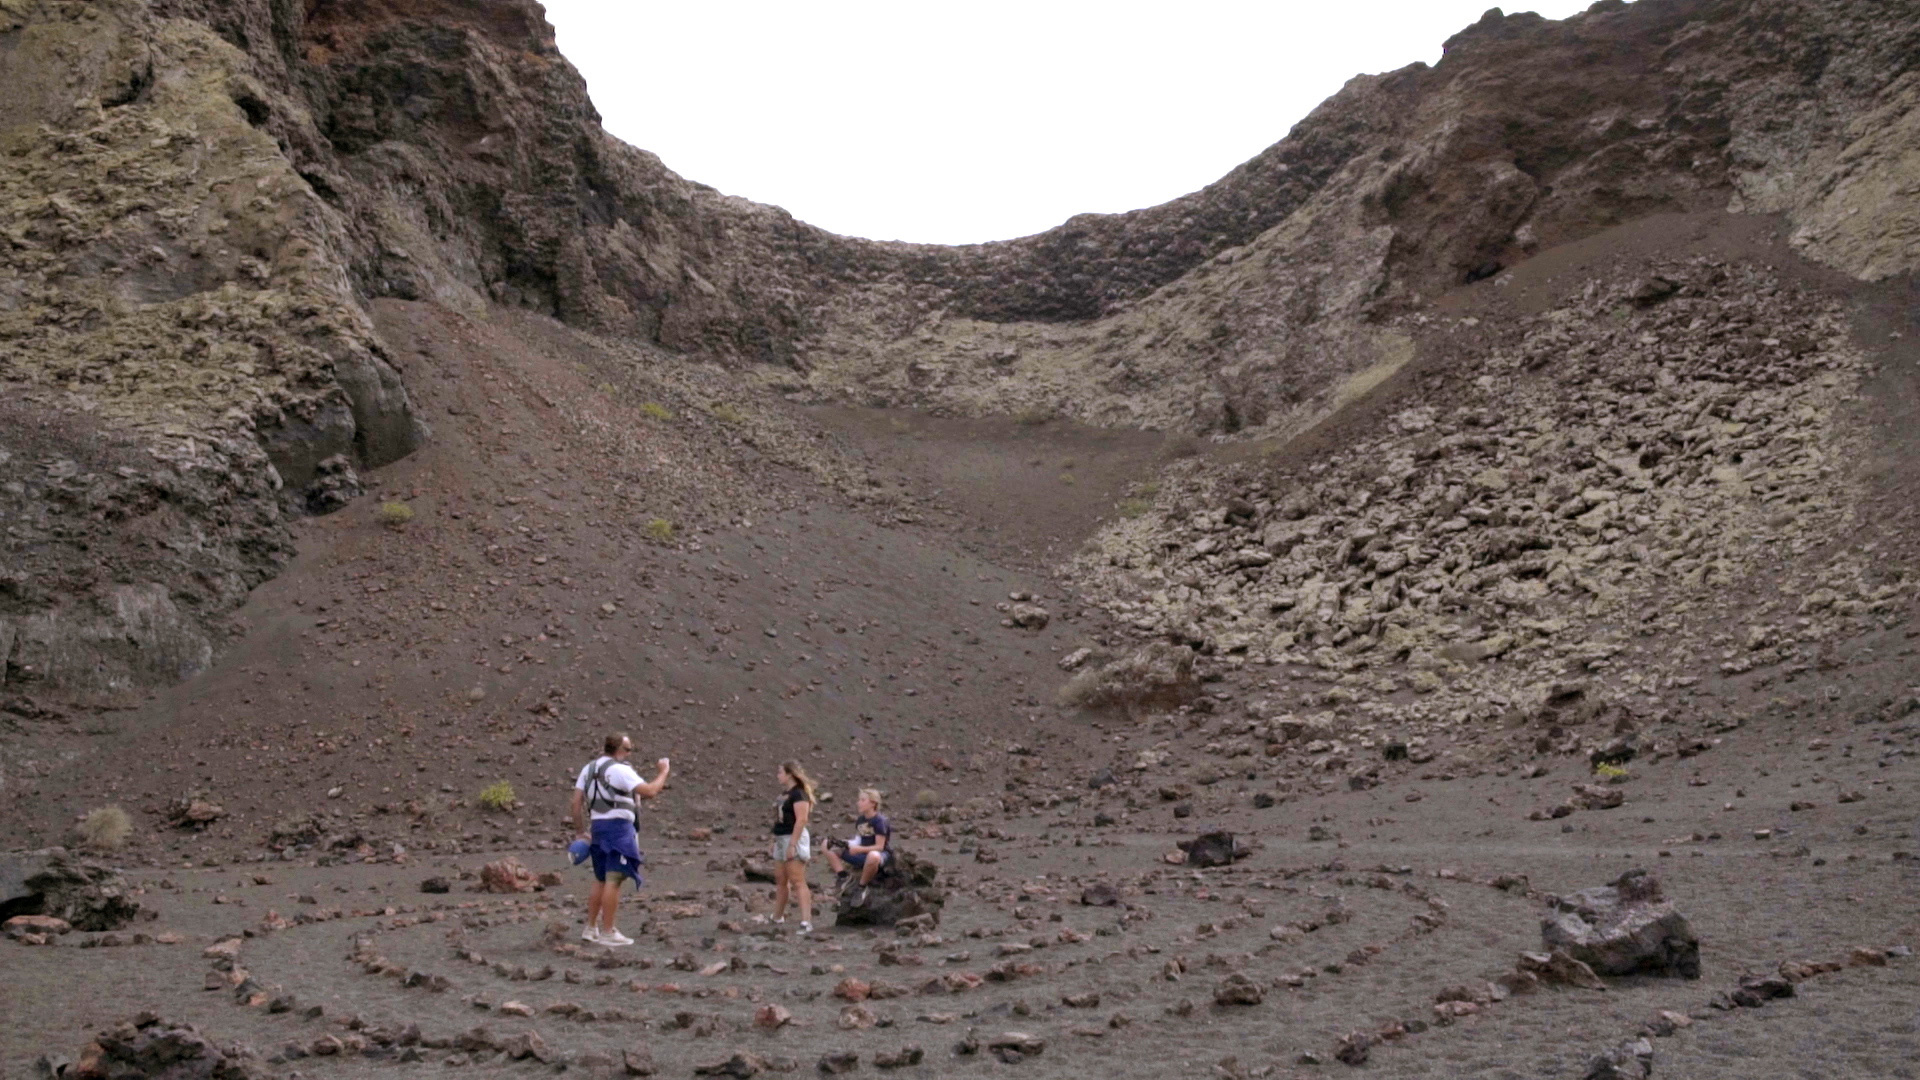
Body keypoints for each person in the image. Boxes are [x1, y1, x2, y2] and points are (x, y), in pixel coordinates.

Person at [569, 733, 669, 946]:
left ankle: (591, 928)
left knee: (600, 879)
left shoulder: (588, 769)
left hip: (597, 828)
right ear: (620, 750)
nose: (629, 754)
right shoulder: (620, 770)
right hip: (618, 830)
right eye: (629, 749)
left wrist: (580, 832)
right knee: (614, 879)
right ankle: (608, 932)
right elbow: (650, 791)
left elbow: (576, 803)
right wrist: (663, 772)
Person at [769, 761, 816, 933]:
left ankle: (806, 921)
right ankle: (777, 916)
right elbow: (778, 819)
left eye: (780, 772)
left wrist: (793, 844)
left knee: (797, 879)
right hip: (781, 837)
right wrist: (774, 839)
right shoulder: (784, 795)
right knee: (781, 879)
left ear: (790, 774)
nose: (778, 776)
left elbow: (801, 820)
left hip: (793, 837)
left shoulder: (799, 794)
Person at [824, 788, 890, 905]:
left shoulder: (879, 821)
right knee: (826, 844)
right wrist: (845, 843)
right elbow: (859, 840)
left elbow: (880, 847)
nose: (858, 803)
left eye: (863, 800)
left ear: (873, 803)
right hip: (862, 853)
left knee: (873, 856)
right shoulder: (861, 820)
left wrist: (859, 849)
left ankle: (862, 887)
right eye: (859, 800)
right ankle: (843, 877)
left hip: (879, 855)